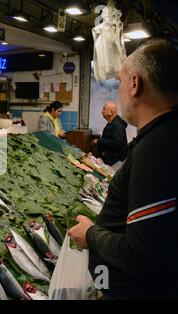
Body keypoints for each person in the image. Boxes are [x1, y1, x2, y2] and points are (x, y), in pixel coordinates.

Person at [68, 40, 178, 299]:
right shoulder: (164, 135)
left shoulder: (158, 148)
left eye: (119, 82)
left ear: (135, 83)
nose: (118, 91)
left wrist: (91, 235)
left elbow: (143, 254)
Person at [91, 101, 128, 165]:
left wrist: (99, 141)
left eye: (104, 109)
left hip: (115, 162)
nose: (102, 111)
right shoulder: (111, 123)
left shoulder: (117, 125)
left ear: (111, 112)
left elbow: (116, 143)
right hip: (110, 159)